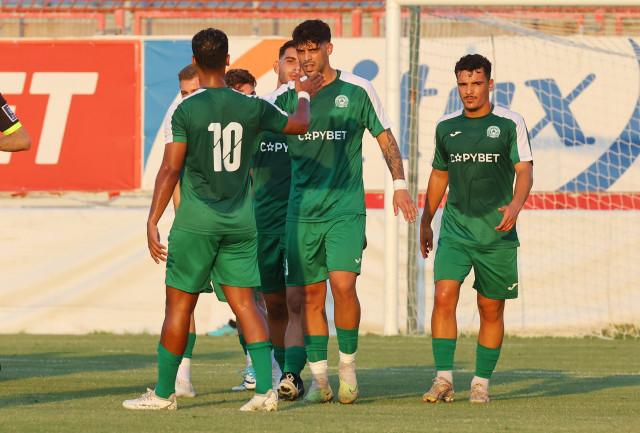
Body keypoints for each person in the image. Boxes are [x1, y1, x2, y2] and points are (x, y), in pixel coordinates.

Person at [122, 27, 321, 412]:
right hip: (240, 222)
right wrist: (302, 94)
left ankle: (164, 394)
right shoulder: (251, 105)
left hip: (197, 221)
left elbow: (170, 169)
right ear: (228, 61)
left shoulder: (185, 109)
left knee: (179, 307)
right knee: (246, 304)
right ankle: (264, 390)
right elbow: (299, 125)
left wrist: (153, 219)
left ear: (195, 62)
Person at [272, 20, 417, 404]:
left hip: (345, 209)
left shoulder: (357, 89)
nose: (306, 58)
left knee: (343, 285)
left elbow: (384, 137)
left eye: (313, 50)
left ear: (329, 49)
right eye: (301, 52)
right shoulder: (286, 96)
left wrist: (400, 185)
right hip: (301, 212)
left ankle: (348, 367)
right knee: (311, 296)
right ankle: (320, 380)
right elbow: (256, 126)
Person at [420, 54, 533, 404]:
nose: (469, 91)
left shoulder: (510, 122)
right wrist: (426, 219)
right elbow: (439, 174)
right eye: (463, 84)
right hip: (456, 230)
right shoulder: (446, 126)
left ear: (490, 84)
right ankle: (443, 379)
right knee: (443, 295)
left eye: (476, 83)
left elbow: (525, 171)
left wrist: (516, 205)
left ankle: (481, 382)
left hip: (496, 233)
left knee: (490, 308)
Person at [255, 41, 308, 401]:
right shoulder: (259, 111)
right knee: (273, 304)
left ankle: (295, 372)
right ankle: (280, 371)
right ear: (276, 65)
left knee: (297, 301)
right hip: (263, 224)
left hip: (298, 222)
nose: (296, 67)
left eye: (301, 61)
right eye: (290, 60)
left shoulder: (309, 112)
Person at [160, 64, 200, 399]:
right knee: (181, 300)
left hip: (232, 222)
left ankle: (262, 374)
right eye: (183, 93)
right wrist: (181, 217)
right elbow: (173, 171)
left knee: (246, 300)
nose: (187, 99)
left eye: (193, 92)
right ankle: (182, 377)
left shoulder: (231, 109)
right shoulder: (177, 114)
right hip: (193, 222)